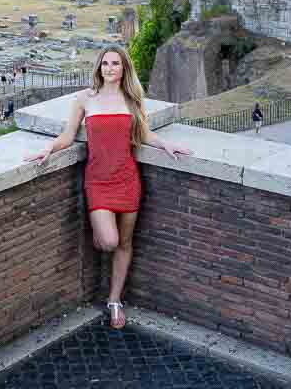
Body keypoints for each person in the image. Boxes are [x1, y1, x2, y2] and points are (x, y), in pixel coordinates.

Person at [25, 46, 191, 330]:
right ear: (99, 68)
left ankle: (114, 301)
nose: (110, 68)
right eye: (105, 63)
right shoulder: (84, 99)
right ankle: (99, 240)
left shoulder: (132, 99)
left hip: (128, 180)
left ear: (124, 68)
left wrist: (167, 145)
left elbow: (144, 134)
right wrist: (48, 149)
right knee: (110, 242)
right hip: (98, 181)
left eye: (115, 63)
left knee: (125, 244)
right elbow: (67, 136)